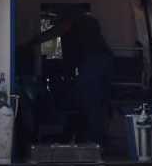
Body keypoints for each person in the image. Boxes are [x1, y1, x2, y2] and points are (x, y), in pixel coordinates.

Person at [23, 9, 114, 146]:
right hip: (102, 62)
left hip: (95, 63)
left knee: (91, 100)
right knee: (97, 101)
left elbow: (54, 33)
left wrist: (31, 42)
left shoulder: (77, 22)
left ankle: (94, 141)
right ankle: (94, 139)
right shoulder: (88, 26)